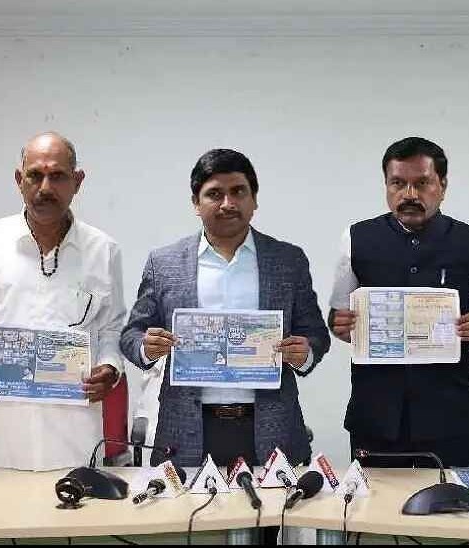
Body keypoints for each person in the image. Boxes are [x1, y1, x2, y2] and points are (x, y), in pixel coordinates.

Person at [120, 148, 330, 469]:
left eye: (238, 192)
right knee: (186, 504)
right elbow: (131, 334)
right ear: (196, 203)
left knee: (271, 504)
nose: (228, 203)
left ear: (254, 200)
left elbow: (315, 333)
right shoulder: (164, 263)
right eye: (214, 194)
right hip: (188, 429)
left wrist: (306, 352)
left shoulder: (288, 260)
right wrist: (146, 348)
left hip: (269, 427)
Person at [0, 132, 125, 471]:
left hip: (75, 437)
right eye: (35, 175)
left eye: (58, 176)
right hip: (2, 436)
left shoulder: (103, 250)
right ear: (19, 180)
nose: (45, 188)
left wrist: (110, 368)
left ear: (77, 181)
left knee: (75, 504)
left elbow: (112, 327)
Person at [328, 136, 469, 468]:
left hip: (450, 417)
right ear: (386, 185)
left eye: (422, 183)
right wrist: (340, 325)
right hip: (375, 414)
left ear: (442, 186)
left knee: (449, 501)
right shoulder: (355, 238)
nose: (409, 194)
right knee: (374, 503)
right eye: (398, 183)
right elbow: (338, 320)